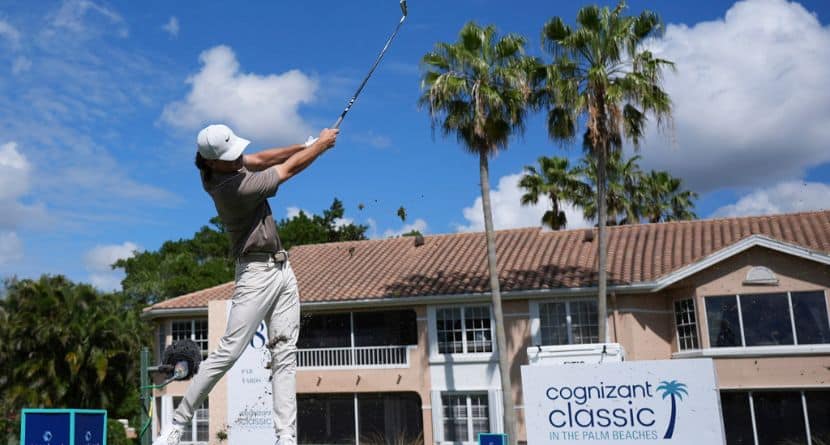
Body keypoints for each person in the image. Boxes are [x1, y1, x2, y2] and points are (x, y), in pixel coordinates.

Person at [154, 124, 339, 445]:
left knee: (284, 353)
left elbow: (263, 157)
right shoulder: (233, 188)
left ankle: (285, 437)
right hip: (255, 274)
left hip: (282, 269)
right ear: (211, 162)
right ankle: (176, 425)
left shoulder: (225, 166)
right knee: (228, 352)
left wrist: (303, 143)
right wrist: (320, 146)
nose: (238, 156)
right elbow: (286, 170)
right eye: (230, 155)